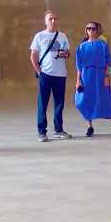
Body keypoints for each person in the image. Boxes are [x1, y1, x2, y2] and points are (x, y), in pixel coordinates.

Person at [75, 22, 111, 137]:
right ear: (86, 30)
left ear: (97, 30)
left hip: (100, 75)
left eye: (93, 28)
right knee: (86, 100)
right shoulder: (81, 47)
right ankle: (90, 127)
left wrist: (106, 77)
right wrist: (78, 80)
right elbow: (79, 66)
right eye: (88, 28)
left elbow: (108, 63)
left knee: (106, 100)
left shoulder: (102, 45)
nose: (91, 30)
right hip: (86, 76)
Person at [30, 10, 73, 142]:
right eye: (50, 19)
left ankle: (58, 130)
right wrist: (39, 71)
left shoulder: (62, 36)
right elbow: (33, 56)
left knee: (59, 103)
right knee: (43, 103)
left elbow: (67, 53)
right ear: (45, 21)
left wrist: (65, 54)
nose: (53, 21)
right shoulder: (40, 36)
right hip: (46, 74)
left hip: (60, 74)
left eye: (55, 18)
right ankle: (42, 132)